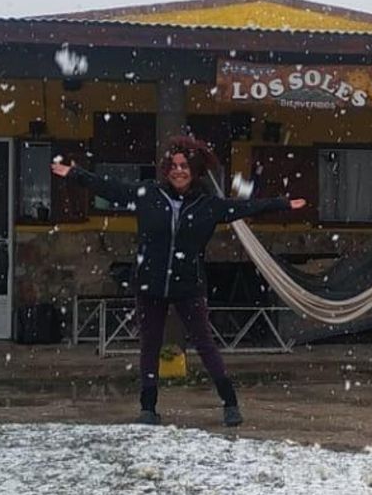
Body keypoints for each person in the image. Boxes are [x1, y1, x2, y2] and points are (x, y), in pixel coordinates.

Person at [51, 135, 306, 426]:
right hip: (150, 283)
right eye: (173, 165)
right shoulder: (148, 194)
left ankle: (230, 404)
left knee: (205, 344)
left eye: (184, 165)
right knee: (150, 344)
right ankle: (148, 408)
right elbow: (111, 190)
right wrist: (75, 174)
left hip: (188, 285)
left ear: (195, 170)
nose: (178, 170)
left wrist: (282, 203)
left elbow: (245, 207)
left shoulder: (208, 205)